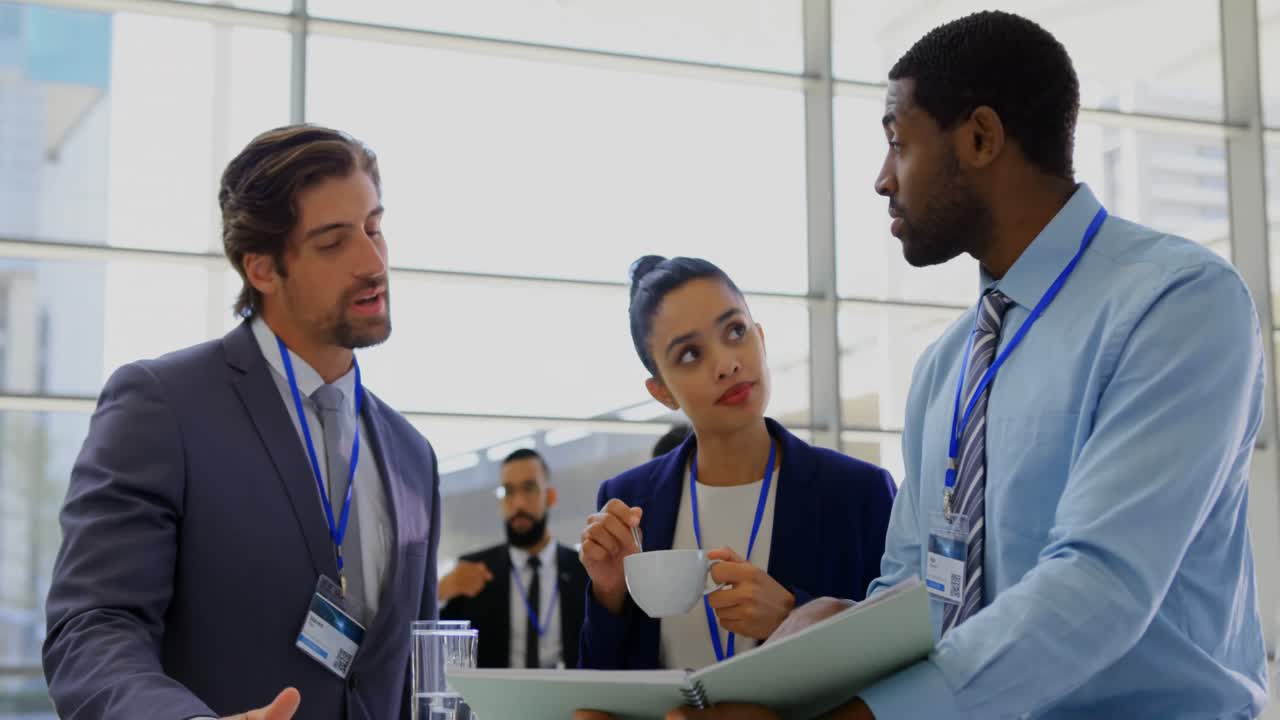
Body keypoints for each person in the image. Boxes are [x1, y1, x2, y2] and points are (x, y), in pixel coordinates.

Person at [640, 10, 1268, 720]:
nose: (883, 179)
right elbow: (916, 588)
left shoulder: (1175, 303)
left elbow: (1100, 584)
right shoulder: (946, 366)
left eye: (897, 143)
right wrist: (830, 630)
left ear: (979, 138)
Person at [42, 125, 443, 720]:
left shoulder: (413, 455)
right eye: (334, 242)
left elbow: (408, 674)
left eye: (374, 228)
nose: (372, 261)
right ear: (262, 269)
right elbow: (93, 628)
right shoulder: (163, 406)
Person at [575, 256, 897, 673]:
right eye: (690, 354)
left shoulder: (858, 493)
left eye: (735, 331)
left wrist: (793, 614)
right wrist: (608, 594)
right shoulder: (630, 502)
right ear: (662, 392)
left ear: (760, 338)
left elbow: (896, 655)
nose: (726, 364)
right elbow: (600, 681)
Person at [438, 448, 588, 668]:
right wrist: (441, 591)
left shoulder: (584, 570)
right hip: (494, 691)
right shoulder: (473, 571)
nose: (518, 504)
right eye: (508, 491)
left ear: (550, 497)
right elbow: (435, 641)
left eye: (529, 488)